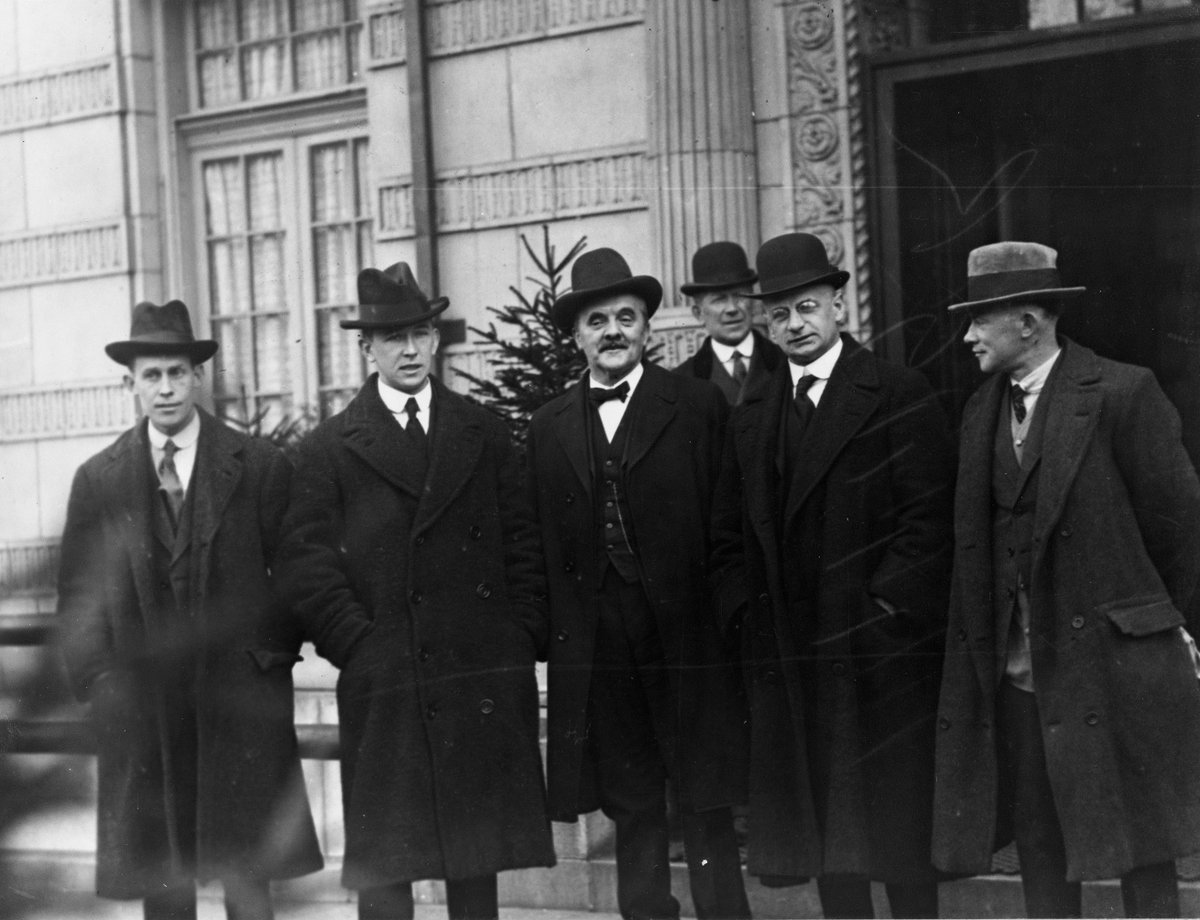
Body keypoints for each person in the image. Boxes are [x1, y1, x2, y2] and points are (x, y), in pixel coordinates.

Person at [276, 263, 553, 920]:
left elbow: (524, 543)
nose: (409, 350)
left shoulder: (481, 432)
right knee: (387, 873)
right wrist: (357, 644)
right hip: (388, 680)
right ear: (366, 347)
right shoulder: (330, 448)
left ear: (436, 340)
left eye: (421, 333)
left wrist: (519, 635)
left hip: (476, 673)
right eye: (393, 336)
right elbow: (306, 563)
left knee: (475, 864)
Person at [932, 241, 1200, 918]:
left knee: (1144, 848)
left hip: (1115, 671)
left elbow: (1181, 532)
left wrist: (1164, 635)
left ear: (1027, 322)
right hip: (1021, 677)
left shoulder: (1121, 391)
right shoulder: (978, 411)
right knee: (1041, 847)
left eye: (978, 320)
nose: (967, 336)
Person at [710, 233, 955, 919]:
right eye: (780, 314)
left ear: (838, 304)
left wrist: (885, 611)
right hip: (791, 658)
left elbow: (929, 523)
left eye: (808, 308)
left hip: (880, 661)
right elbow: (726, 535)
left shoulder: (895, 391)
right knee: (825, 840)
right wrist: (746, 616)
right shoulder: (754, 412)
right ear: (765, 320)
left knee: (902, 841)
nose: (795, 325)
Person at [57, 300, 322, 920]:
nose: (167, 388)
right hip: (146, 707)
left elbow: (295, 574)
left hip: (238, 702)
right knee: (164, 877)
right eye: (152, 376)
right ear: (131, 384)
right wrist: (102, 682)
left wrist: (268, 659)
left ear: (197, 377)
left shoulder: (256, 466)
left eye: (177, 373)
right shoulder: (99, 479)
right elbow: (78, 597)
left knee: (247, 875)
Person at [527, 248, 750, 920]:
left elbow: (728, 523)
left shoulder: (697, 404)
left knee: (705, 798)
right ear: (577, 336)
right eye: (597, 321)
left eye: (627, 316)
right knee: (633, 802)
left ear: (649, 328)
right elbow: (539, 545)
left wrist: (725, 622)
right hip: (602, 645)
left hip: (687, 636)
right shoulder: (548, 427)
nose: (614, 331)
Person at [673, 241, 782, 404]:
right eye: (719, 299)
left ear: (754, 302)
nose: (732, 308)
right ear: (698, 313)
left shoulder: (785, 361)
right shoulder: (681, 380)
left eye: (740, 296)